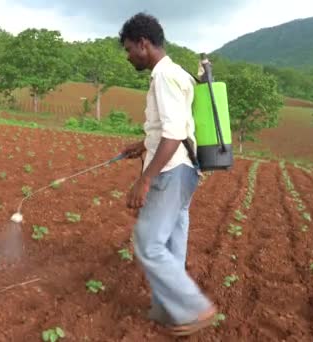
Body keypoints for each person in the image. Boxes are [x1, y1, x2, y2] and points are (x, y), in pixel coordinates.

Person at [119, 12, 217, 336]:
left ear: (144, 44)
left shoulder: (163, 77)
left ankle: (193, 308)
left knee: (148, 242)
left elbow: (174, 133)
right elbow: (175, 128)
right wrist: (142, 144)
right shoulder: (181, 74)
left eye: (129, 48)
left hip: (171, 172)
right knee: (173, 241)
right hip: (186, 171)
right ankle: (168, 309)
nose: (128, 55)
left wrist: (144, 178)